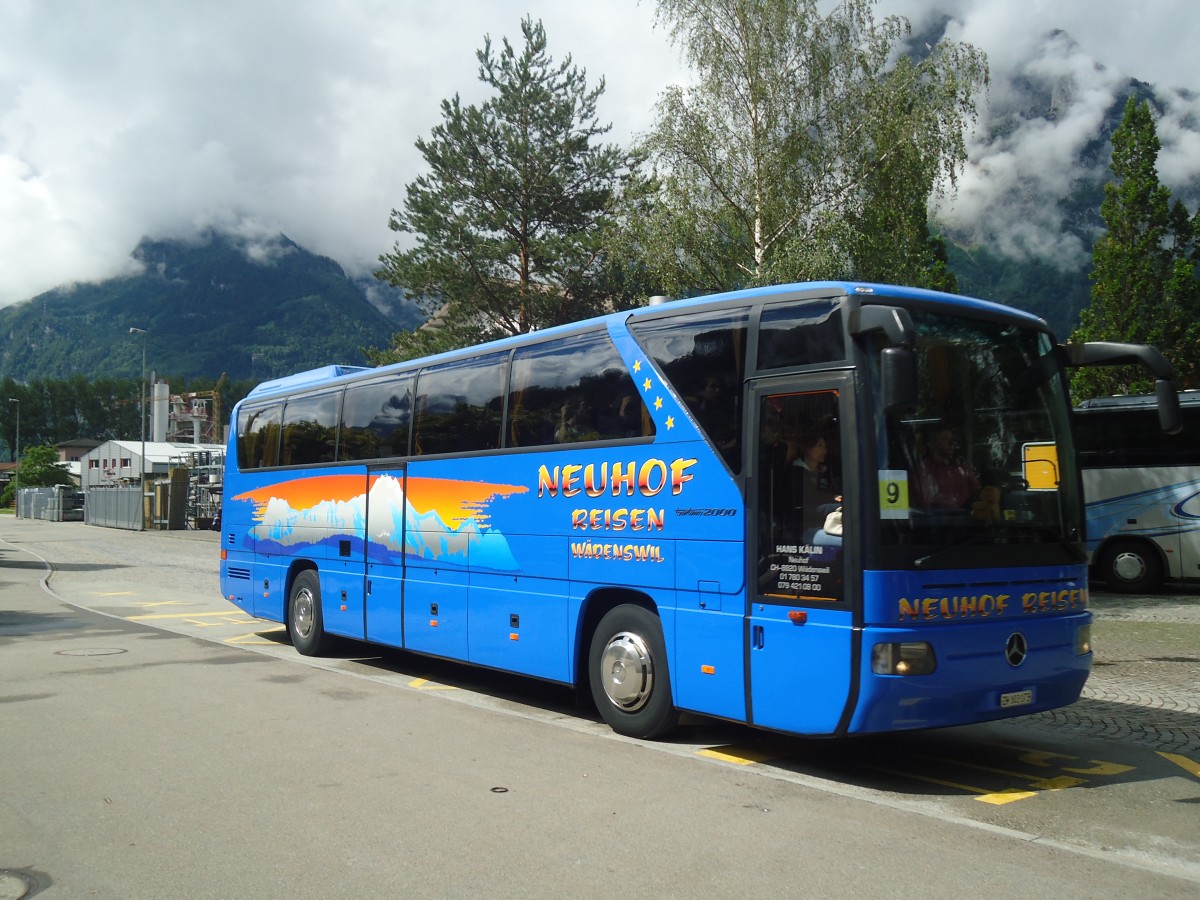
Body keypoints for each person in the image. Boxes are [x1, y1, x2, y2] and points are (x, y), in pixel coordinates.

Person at [913, 423, 980, 510]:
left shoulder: (963, 469)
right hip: (938, 521)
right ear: (932, 443)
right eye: (945, 439)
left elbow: (977, 494)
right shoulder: (922, 471)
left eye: (952, 439)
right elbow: (928, 501)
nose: (951, 443)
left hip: (965, 520)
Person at [792, 431, 840, 541]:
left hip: (828, 523)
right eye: (819, 446)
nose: (825, 450)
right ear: (807, 448)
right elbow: (807, 507)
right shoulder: (796, 474)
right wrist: (836, 506)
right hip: (805, 529)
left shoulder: (825, 472)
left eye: (825, 446)